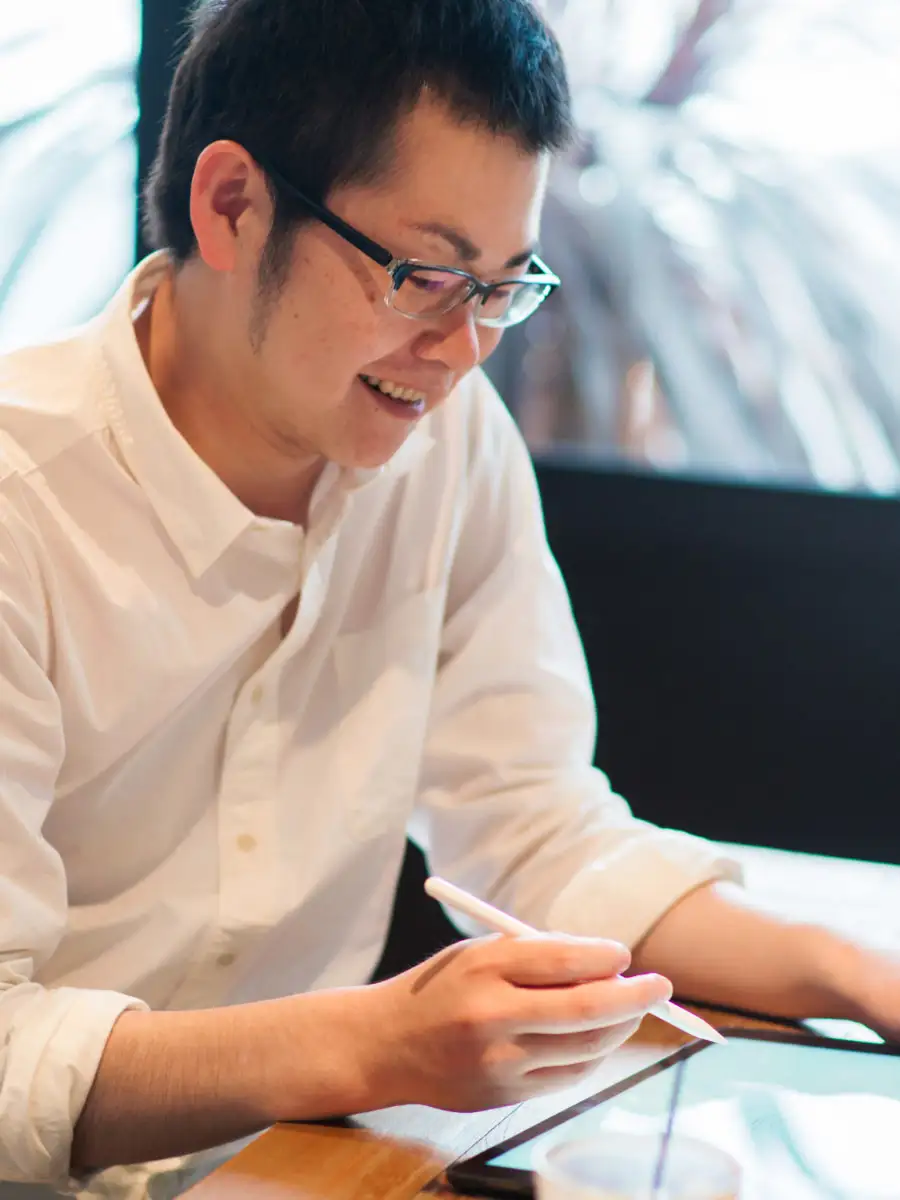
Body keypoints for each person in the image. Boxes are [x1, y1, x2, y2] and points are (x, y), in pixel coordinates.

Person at [0, 1, 898, 1196]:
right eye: (425, 276)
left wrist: (856, 973)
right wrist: (372, 1045)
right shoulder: (23, 505)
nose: (465, 347)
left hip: (293, 1169)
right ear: (232, 205)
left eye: (502, 288)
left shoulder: (443, 442)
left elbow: (535, 828)